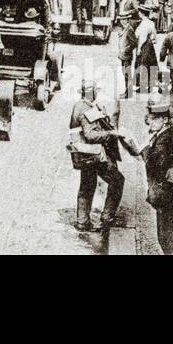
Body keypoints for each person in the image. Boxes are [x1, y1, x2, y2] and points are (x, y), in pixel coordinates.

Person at [68, 80, 125, 231]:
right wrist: (110, 133)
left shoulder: (79, 105)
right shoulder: (86, 109)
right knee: (117, 180)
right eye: (95, 91)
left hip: (83, 153)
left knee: (87, 185)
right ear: (91, 92)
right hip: (94, 153)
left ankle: (82, 221)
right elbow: (90, 135)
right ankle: (107, 216)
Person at [139, 96, 173, 254]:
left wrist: (145, 150)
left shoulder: (165, 140)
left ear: (164, 120)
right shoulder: (166, 134)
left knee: (168, 236)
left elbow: (157, 166)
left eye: (154, 119)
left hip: (166, 195)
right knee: (166, 235)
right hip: (169, 194)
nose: (150, 123)